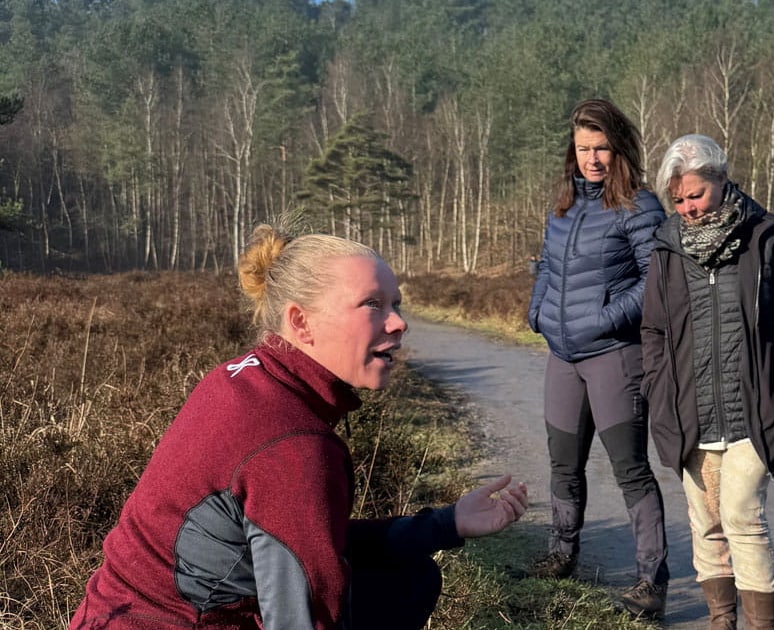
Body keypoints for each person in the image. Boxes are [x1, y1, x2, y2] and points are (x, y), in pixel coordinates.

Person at [70, 225, 529, 630]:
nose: (399, 322)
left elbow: (304, 536)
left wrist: (447, 524)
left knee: (406, 573)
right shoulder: (293, 446)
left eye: (396, 303)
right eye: (372, 304)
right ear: (300, 322)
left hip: (106, 615)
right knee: (405, 583)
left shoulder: (242, 376)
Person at [641, 134, 774, 630]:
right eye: (679, 199)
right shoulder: (668, 249)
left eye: (697, 195)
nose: (688, 208)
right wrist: (657, 388)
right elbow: (653, 328)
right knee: (706, 521)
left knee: (741, 515)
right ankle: (720, 619)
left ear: (721, 180)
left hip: (754, 410)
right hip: (690, 411)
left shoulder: (767, 237)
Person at [526, 98, 670, 618]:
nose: (592, 158)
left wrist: (601, 320)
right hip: (562, 357)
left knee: (630, 469)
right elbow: (546, 267)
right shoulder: (562, 209)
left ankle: (650, 580)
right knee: (563, 462)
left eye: (601, 147)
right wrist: (537, 311)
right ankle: (561, 554)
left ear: (619, 149)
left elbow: (656, 281)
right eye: (583, 148)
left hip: (614, 356)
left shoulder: (639, 206)